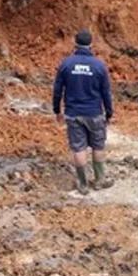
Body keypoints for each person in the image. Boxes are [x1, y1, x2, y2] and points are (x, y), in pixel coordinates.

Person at [53, 30, 114, 194]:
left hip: (73, 113)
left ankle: (83, 184)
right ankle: (100, 180)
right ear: (91, 44)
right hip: (94, 113)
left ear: (75, 43)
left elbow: (57, 90)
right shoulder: (99, 65)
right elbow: (106, 93)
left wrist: (57, 110)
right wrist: (109, 113)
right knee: (98, 146)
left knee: (78, 148)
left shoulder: (66, 64)